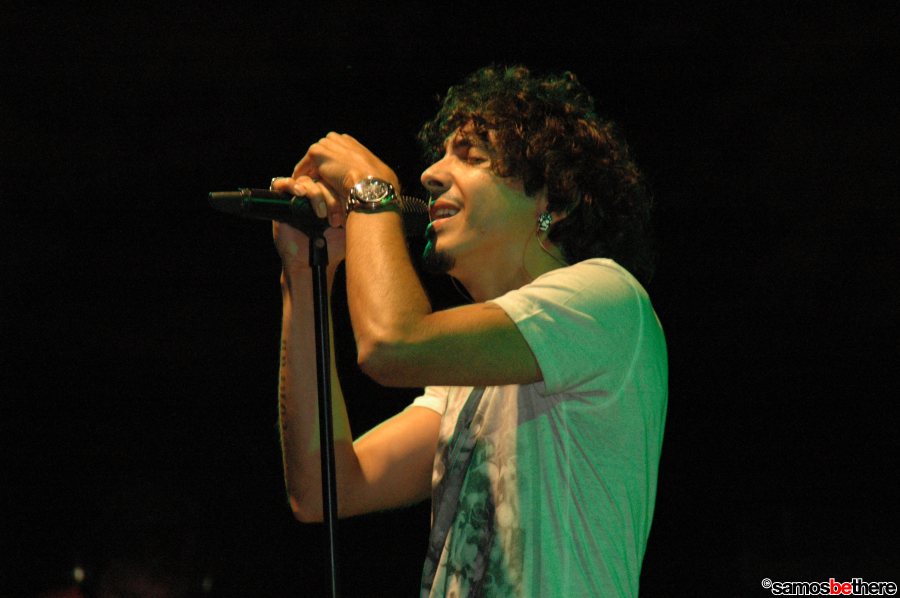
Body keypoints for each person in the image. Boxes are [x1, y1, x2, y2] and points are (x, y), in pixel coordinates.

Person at [271, 65, 667, 597]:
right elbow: (324, 487)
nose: (430, 174)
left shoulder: (607, 300)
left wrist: (371, 190)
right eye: (441, 155)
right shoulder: (466, 381)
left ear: (555, 201)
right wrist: (302, 278)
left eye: (471, 156)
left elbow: (392, 343)